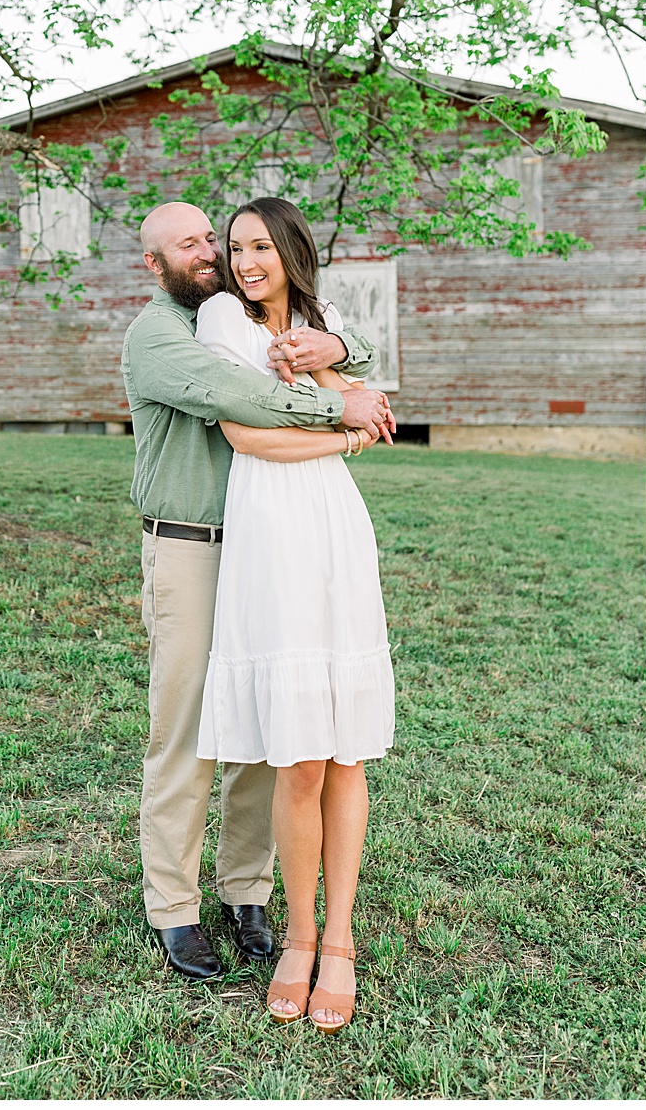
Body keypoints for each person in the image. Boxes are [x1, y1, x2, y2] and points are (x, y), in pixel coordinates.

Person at [120, 201, 393, 984]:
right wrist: (343, 411)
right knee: (186, 734)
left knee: (259, 725)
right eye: (191, 245)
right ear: (154, 264)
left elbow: (341, 339)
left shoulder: (244, 312)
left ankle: (247, 893)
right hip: (190, 547)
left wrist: (340, 346)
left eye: (214, 237)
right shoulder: (161, 334)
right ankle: (173, 907)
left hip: (261, 547)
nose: (211, 253)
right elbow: (240, 400)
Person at [194, 198, 396, 1032]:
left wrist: (333, 359)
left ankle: (339, 940)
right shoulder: (221, 320)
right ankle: (299, 936)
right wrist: (343, 429)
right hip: (270, 535)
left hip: (336, 529)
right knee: (300, 759)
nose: (246, 263)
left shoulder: (326, 321)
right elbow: (249, 435)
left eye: (261, 248)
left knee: (346, 753)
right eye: (235, 247)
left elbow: (369, 401)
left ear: (291, 251)